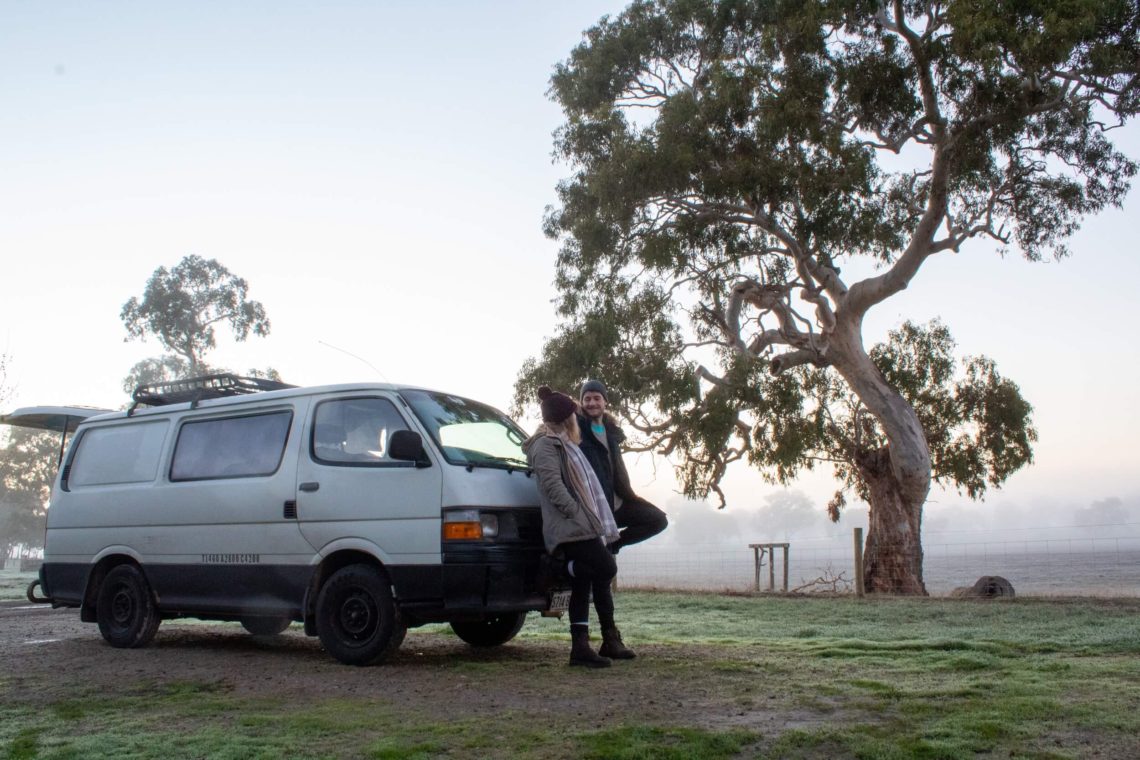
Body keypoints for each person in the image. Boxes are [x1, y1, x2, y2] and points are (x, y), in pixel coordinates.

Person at [522, 385, 637, 668]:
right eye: (573, 414)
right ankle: (556, 568)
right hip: (570, 526)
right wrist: (575, 512)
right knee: (607, 568)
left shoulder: (565, 443)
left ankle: (580, 647)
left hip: (581, 523)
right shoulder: (545, 444)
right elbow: (552, 486)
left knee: (583, 580)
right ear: (565, 419)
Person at [576, 379, 668, 554]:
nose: (592, 403)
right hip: (595, 508)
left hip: (619, 504)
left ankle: (614, 545)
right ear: (581, 403)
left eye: (597, 398)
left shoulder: (612, 433)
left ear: (605, 402)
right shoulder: (577, 431)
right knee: (601, 571)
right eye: (587, 399)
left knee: (658, 520)